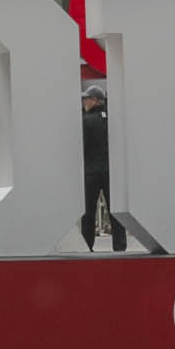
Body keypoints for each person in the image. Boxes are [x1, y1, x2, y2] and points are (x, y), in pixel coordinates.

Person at [79, 85, 125, 252]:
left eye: (87, 98)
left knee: (88, 212)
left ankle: (87, 245)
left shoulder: (86, 120)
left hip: (91, 172)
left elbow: (82, 147)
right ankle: (120, 245)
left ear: (96, 101)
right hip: (111, 172)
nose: (84, 101)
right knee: (115, 210)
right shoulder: (112, 118)